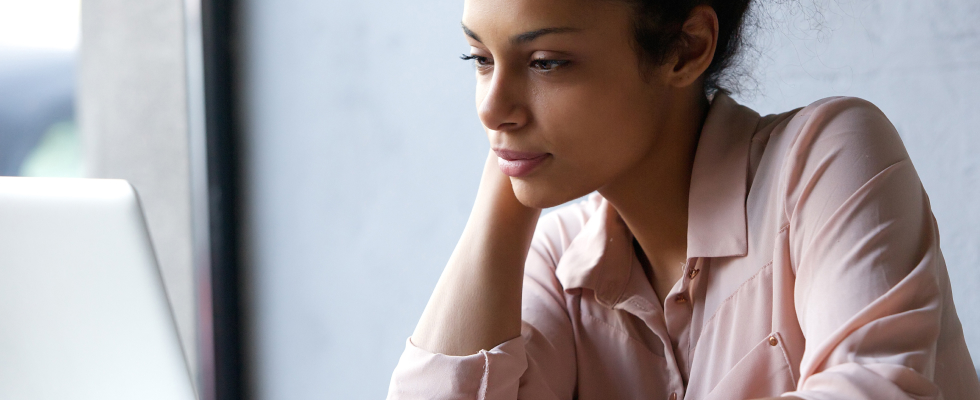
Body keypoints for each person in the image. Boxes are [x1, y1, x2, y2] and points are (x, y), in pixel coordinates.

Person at [387, 0, 980, 398]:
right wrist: (507, 188)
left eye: (546, 62)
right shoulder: (559, 262)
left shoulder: (823, 159)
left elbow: (875, 387)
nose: (489, 108)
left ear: (685, 48)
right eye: (481, 59)